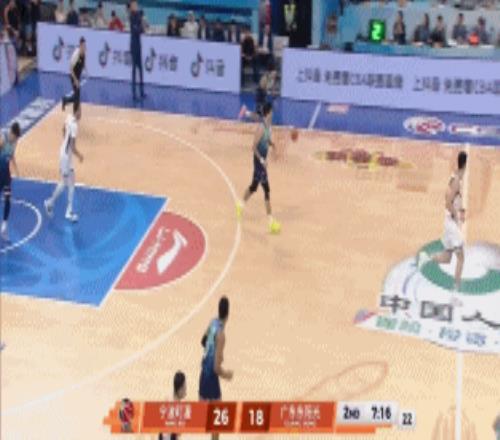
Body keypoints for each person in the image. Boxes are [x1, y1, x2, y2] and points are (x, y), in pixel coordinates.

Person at [418, 152, 467, 301]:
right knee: (461, 258)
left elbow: (453, 200)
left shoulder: (456, 177)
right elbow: (447, 202)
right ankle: (455, 293)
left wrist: (460, 210)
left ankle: (426, 258)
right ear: (465, 164)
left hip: (449, 222)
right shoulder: (456, 181)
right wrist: (456, 215)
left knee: (447, 258)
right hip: (451, 223)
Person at [236, 103, 281, 234]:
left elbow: (266, 140)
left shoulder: (268, 127)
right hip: (259, 162)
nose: (273, 114)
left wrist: (272, 144)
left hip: (262, 162)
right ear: (268, 113)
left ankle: (240, 204)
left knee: (254, 187)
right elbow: (254, 147)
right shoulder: (261, 128)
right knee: (266, 190)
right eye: (272, 112)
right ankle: (271, 223)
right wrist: (261, 160)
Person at [199, 297, 233, 440]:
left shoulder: (212, 322)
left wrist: (213, 354)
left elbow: (203, 341)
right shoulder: (221, 335)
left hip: (202, 375)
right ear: (228, 314)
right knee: (217, 421)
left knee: (208, 418)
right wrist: (227, 375)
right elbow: (216, 369)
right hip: (211, 379)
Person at [44, 106, 83, 223]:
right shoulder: (75, 126)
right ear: (76, 111)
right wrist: (80, 155)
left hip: (65, 154)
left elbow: (63, 130)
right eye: (80, 111)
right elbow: (73, 146)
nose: (81, 114)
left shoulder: (68, 117)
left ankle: (68, 210)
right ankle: (50, 203)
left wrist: (65, 144)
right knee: (64, 182)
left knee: (72, 182)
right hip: (66, 157)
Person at [0, 122, 21, 241]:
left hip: (6, 175)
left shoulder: (15, 142)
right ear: (11, 133)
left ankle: (4, 227)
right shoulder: (3, 139)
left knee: (8, 199)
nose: (15, 140)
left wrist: (16, 169)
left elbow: (12, 155)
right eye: (15, 137)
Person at [159, 371, 187, 440]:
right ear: (180, 389)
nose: (186, 391)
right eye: (184, 388)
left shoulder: (166, 399)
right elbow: (178, 433)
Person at [62, 37, 85, 114]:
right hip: (73, 76)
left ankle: (65, 100)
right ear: (80, 45)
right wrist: (75, 80)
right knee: (77, 96)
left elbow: (83, 62)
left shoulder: (84, 52)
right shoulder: (76, 54)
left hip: (78, 76)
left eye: (85, 45)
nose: (84, 47)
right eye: (83, 45)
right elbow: (71, 68)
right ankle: (74, 113)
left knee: (77, 95)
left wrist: (86, 71)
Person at [130, 0, 145, 100]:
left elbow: (141, 29)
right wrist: (139, 28)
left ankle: (142, 91)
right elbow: (136, 30)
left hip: (138, 44)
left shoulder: (138, 15)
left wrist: (139, 28)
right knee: (134, 69)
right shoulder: (131, 16)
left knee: (140, 68)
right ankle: (134, 93)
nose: (136, 6)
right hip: (134, 44)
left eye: (136, 5)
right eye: (134, 5)